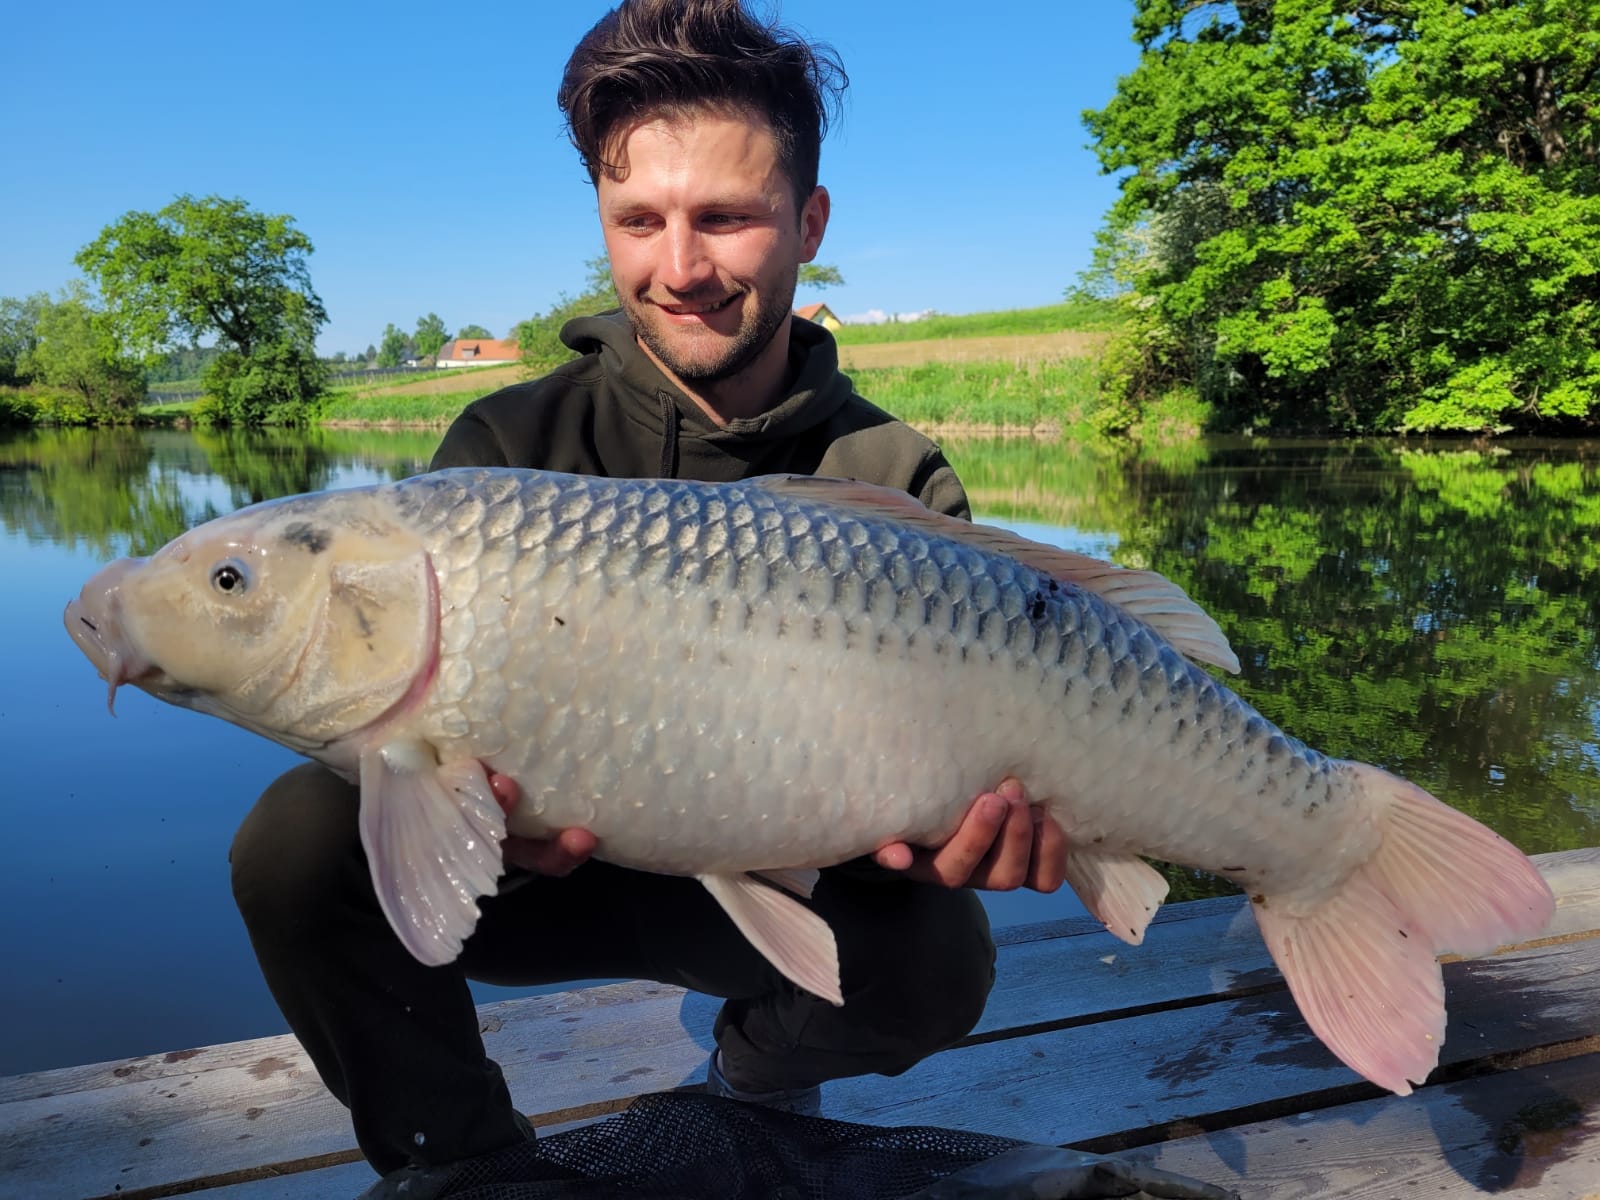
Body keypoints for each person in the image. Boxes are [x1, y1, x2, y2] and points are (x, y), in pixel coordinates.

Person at [229, 2, 1069, 1196]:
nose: (680, 269)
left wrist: (949, 844)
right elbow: (418, 752)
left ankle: (758, 1076)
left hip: (772, 872)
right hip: (538, 888)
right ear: (604, 223)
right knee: (297, 843)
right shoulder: (504, 452)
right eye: (639, 221)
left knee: (935, 959)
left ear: (808, 222)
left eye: (724, 217)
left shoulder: (891, 475)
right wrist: (497, 836)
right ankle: (460, 1163)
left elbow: (931, 802)